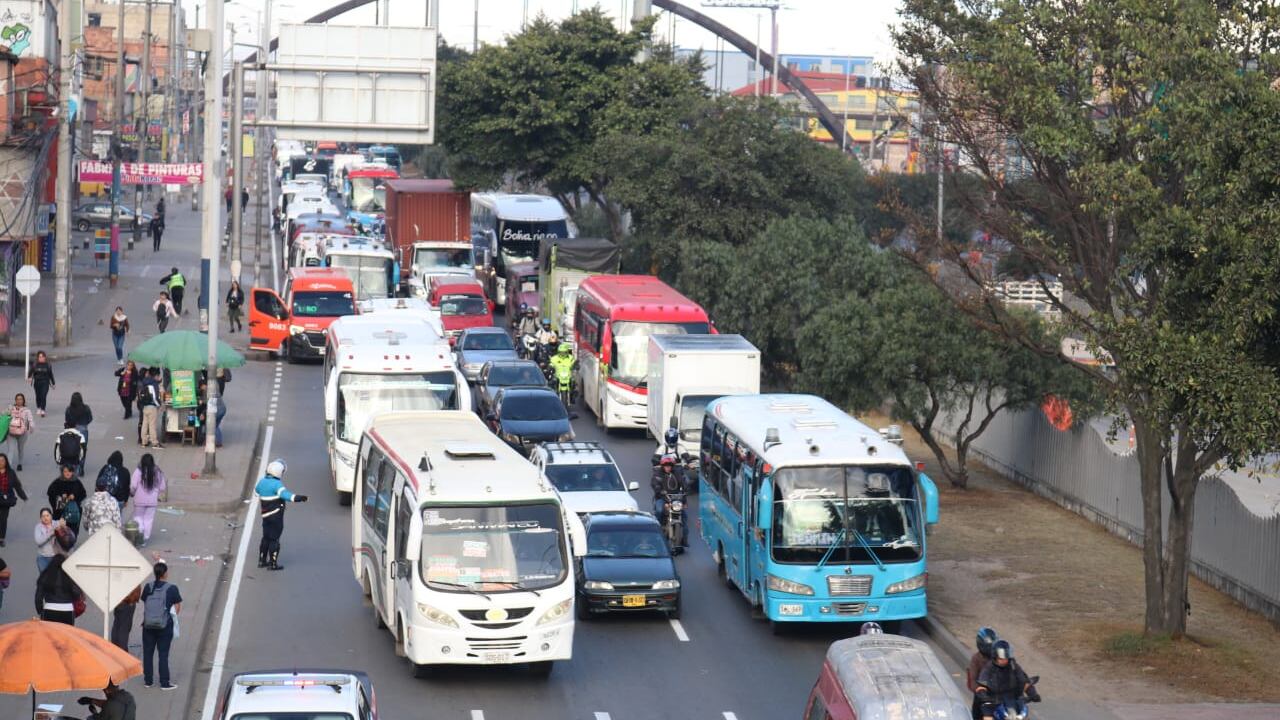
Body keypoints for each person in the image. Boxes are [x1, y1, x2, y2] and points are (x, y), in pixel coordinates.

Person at [254, 459, 308, 570]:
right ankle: (273, 564)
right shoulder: (277, 484)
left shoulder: (262, 482)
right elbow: (286, 495)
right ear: (279, 472)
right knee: (274, 539)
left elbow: (256, 492)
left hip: (265, 516)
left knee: (265, 538)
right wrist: (299, 498)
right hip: (276, 516)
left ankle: (262, 561)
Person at [139, 561, 182, 690]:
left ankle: (148, 681)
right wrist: (170, 618)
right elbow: (178, 606)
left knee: (147, 653)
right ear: (165, 573)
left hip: (148, 626)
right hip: (164, 626)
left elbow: (145, 601)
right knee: (163, 654)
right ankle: (164, 683)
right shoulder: (172, 588)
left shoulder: (148, 587)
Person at [976, 640, 1039, 720]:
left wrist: (1033, 694)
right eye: (1001, 658)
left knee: (1025, 717)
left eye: (1006, 658)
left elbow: (1023, 680)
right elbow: (982, 684)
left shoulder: (1013, 666)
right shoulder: (988, 668)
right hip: (994, 700)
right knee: (988, 716)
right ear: (995, 657)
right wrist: (983, 695)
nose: (1004, 660)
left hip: (1013, 700)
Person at [650, 454, 688, 547]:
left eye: (669, 465)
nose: (668, 467)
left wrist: (684, 500)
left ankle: (685, 539)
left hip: (675, 499)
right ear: (663, 466)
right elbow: (654, 483)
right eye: (666, 466)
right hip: (662, 498)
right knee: (659, 511)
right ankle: (656, 533)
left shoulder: (677, 473)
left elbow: (683, 484)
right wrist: (659, 489)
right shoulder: (658, 473)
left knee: (684, 516)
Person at [34, 554, 82, 625]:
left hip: (49, 609)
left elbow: (38, 598)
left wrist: (40, 611)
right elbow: (77, 594)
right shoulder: (69, 575)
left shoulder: (45, 575)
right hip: (67, 610)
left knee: (49, 635)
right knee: (66, 635)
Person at [130, 454, 165, 545]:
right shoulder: (158, 472)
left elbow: (133, 485)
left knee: (138, 518)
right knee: (148, 520)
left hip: (139, 500)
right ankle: (145, 538)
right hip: (152, 501)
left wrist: (132, 493)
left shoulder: (138, 471)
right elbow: (162, 487)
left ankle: (139, 535)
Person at [968, 627, 1000, 720]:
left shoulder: (1000, 658)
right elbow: (973, 679)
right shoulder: (976, 659)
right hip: (983, 695)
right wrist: (979, 690)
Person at [47, 464, 86, 533]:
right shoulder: (57, 482)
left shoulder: (77, 482)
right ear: (62, 472)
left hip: (73, 509)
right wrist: (60, 497)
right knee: (60, 528)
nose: (67, 473)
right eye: (65, 471)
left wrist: (75, 497)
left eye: (69, 471)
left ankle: (72, 537)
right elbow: (50, 493)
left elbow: (83, 494)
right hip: (60, 507)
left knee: (73, 526)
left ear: (73, 472)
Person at [0, 453, 26, 547]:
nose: (1, 462)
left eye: (2, 460)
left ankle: (1, 538)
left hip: (5, 500)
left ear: (6, 462)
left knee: (3, 519)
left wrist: (23, 496)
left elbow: (17, 486)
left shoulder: (10, 473)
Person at [65, 392, 94, 474]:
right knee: (83, 449)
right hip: (83, 430)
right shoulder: (86, 408)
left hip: (72, 430)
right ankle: (81, 467)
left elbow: (67, 419)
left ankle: (74, 466)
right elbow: (90, 419)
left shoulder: (69, 409)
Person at [98, 450, 131, 516]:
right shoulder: (125, 471)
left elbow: (98, 481)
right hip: (119, 500)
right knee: (117, 518)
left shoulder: (105, 468)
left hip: (105, 498)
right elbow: (127, 487)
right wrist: (126, 500)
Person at [110, 584, 142, 652]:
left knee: (117, 624)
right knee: (124, 628)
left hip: (119, 602)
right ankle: (123, 653)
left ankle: (115, 647)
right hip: (128, 602)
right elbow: (136, 591)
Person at [138, 368, 163, 449]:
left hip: (145, 406)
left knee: (145, 424)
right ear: (156, 375)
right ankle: (155, 443)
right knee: (152, 425)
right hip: (152, 407)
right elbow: (155, 397)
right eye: (158, 375)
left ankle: (144, 442)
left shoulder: (145, 381)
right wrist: (159, 404)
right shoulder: (154, 384)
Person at [8, 392, 33, 470]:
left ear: (23, 401)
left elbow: (31, 420)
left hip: (22, 433)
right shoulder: (10, 408)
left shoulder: (27, 411)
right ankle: (8, 467)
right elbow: (4, 416)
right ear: (15, 400)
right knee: (10, 450)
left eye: (21, 399)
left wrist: (31, 427)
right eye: (17, 399)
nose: (19, 401)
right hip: (11, 433)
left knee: (20, 448)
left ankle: (20, 463)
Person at [27, 350, 54, 417]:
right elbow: (30, 372)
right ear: (38, 358)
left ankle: (43, 410)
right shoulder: (35, 364)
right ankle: (39, 407)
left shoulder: (48, 365)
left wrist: (53, 383)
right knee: (38, 396)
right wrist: (29, 377)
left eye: (42, 357)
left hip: (45, 382)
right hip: (37, 382)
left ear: (45, 357)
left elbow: (51, 374)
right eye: (40, 357)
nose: (41, 358)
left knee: (43, 395)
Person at [33, 508, 59, 573]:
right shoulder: (38, 527)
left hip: (56, 557)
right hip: (43, 558)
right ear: (40, 518)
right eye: (43, 516)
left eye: (47, 515)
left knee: (56, 578)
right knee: (44, 579)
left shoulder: (57, 524)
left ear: (51, 516)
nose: (45, 518)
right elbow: (38, 541)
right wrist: (50, 533)